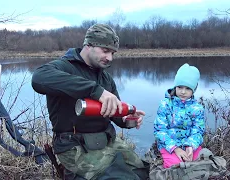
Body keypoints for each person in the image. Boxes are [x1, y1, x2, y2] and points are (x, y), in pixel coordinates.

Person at [32, 24, 148, 180]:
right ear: (88, 45)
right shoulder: (64, 67)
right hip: (75, 147)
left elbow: (114, 111)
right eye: (105, 51)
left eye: (112, 53)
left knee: (143, 172)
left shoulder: (106, 78)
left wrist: (126, 120)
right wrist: (95, 91)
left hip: (108, 142)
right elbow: (38, 78)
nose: (110, 58)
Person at [153, 63, 205, 169]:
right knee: (175, 166)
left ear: (193, 90)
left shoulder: (197, 108)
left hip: (189, 145)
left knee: (197, 165)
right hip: (169, 145)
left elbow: (198, 131)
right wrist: (175, 148)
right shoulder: (165, 104)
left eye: (188, 88)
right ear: (175, 86)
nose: (183, 92)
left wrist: (190, 146)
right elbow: (159, 131)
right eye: (180, 87)